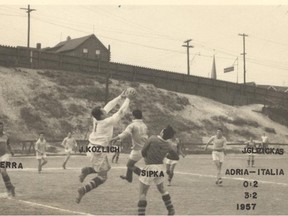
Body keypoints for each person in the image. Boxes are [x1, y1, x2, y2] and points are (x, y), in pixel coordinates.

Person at [76, 90, 131, 204]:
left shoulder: (96, 118)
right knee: (103, 177)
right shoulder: (106, 122)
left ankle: (86, 170)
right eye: (103, 111)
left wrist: (120, 96)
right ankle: (83, 190)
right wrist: (128, 99)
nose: (105, 111)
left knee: (107, 168)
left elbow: (109, 105)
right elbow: (121, 112)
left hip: (92, 147)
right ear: (101, 114)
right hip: (98, 150)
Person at [138, 125, 179, 215]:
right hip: (160, 167)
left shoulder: (152, 138)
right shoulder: (168, 144)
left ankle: (141, 214)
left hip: (149, 166)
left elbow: (143, 152)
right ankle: (171, 210)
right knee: (162, 189)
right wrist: (165, 155)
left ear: (163, 132)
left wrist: (149, 156)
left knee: (142, 193)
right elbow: (176, 157)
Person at [110, 109, 148, 183]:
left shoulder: (132, 125)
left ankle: (144, 175)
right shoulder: (144, 125)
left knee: (129, 165)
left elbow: (125, 133)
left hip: (138, 149)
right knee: (130, 161)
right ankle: (128, 177)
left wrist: (115, 138)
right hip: (143, 148)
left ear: (133, 116)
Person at [0, 122, 15, 197]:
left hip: (5, 155)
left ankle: (9, 188)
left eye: (1, 127)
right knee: (3, 172)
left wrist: (11, 151)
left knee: (2, 170)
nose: (0, 128)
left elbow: (8, 144)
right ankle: (10, 187)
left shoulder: (6, 136)